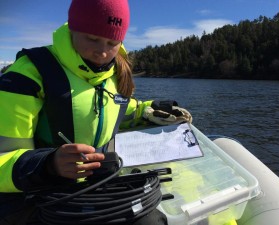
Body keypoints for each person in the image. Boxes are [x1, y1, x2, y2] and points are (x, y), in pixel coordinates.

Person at [0, 0, 192, 224]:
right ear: (72, 28)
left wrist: (148, 111)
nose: (102, 51)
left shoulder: (116, 73)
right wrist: (49, 164)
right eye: (92, 38)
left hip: (98, 185)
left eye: (112, 42)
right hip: (40, 195)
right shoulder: (26, 76)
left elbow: (119, 109)